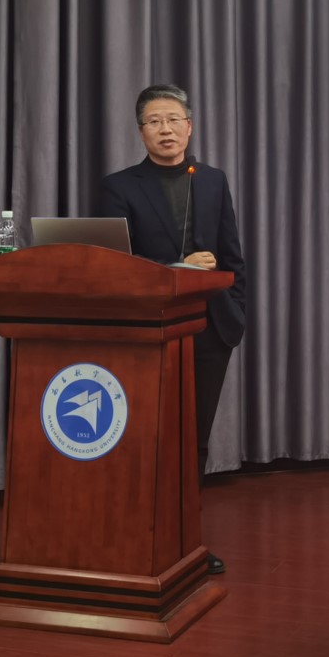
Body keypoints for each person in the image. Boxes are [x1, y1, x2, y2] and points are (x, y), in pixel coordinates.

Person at [100, 84, 246, 576]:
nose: (165, 129)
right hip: (149, 330)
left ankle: (185, 542)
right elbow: (115, 266)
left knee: (193, 440)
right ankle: (138, 538)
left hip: (210, 327)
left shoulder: (213, 180)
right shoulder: (119, 187)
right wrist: (175, 268)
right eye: (154, 121)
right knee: (146, 438)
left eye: (173, 119)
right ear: (141, 131)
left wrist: (235, 311)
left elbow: (232, 256)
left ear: (189, 126)